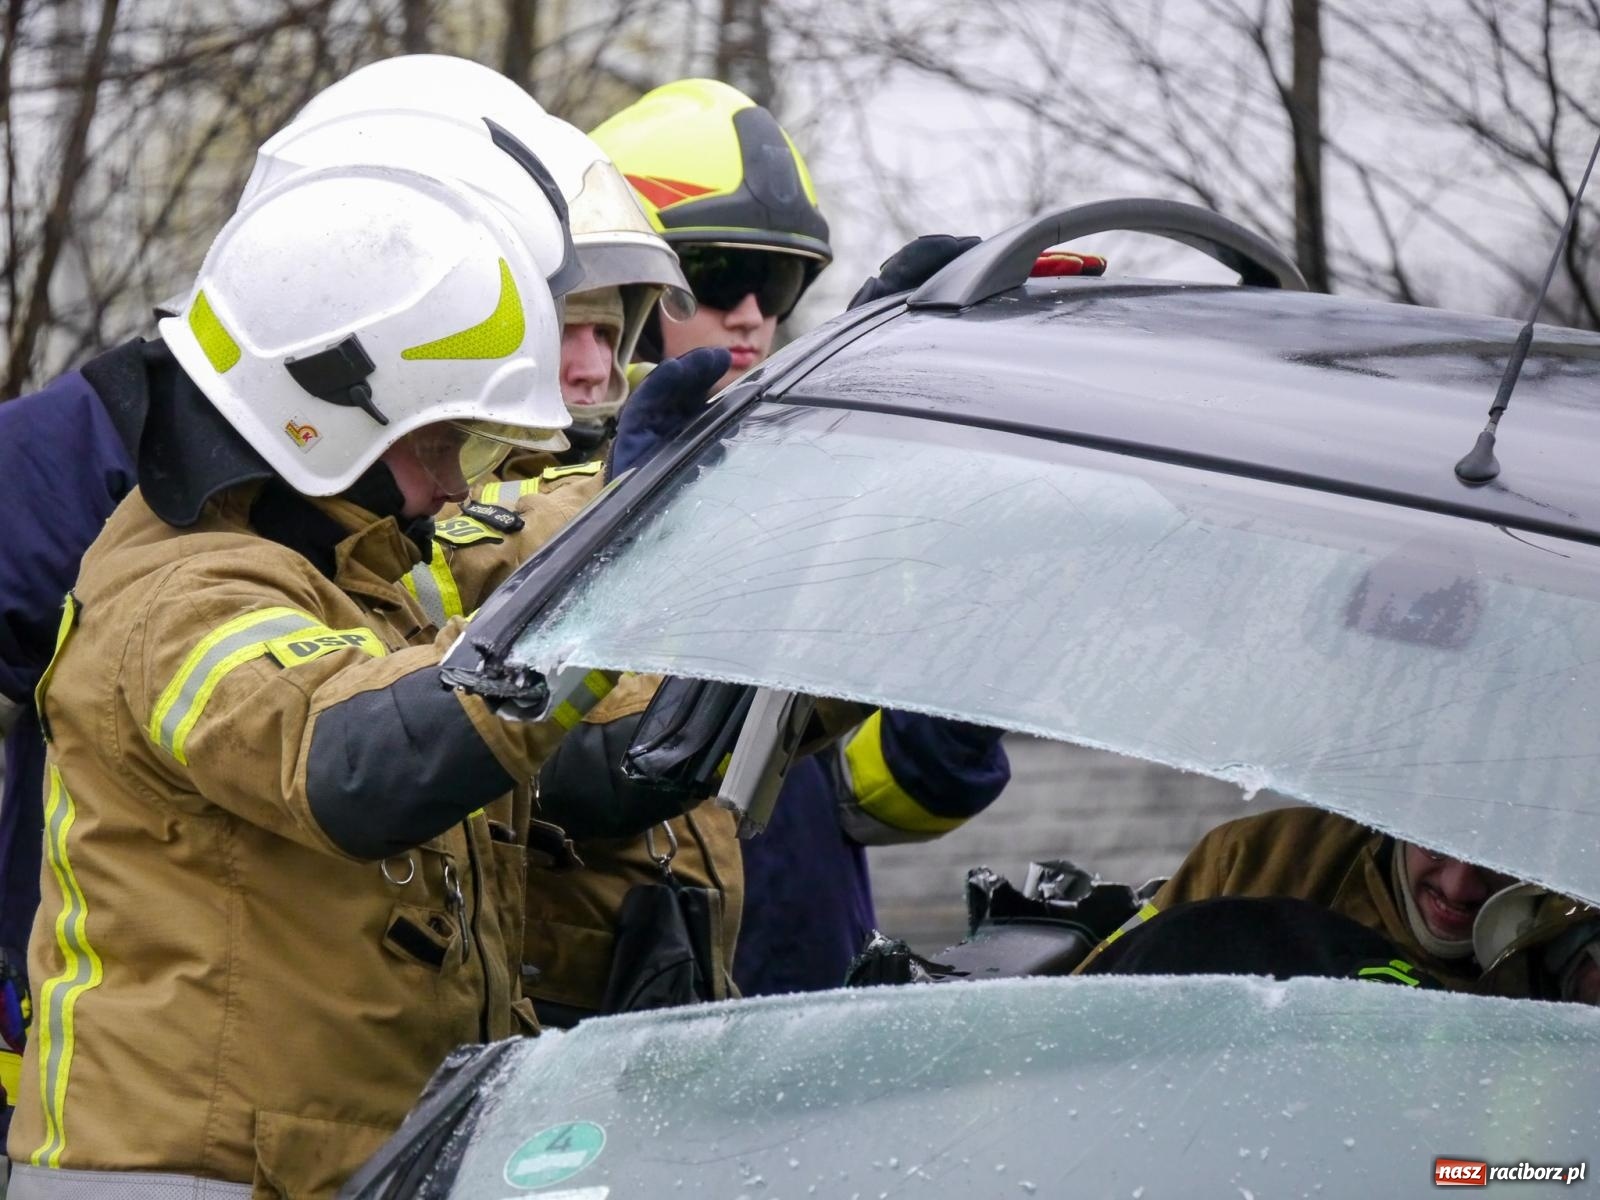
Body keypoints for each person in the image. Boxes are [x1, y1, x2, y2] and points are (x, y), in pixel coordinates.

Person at [589, 79, 1013, 998]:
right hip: (631, 1035)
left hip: (809, 1023)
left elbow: (874, 794)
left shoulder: (797, 493)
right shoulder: (510, 499)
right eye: (714, 278)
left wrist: (963, 635)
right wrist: (641, 507)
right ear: (616, 283)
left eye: (776, 283)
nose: (750, 313)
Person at [1079, 805, 1600, 1004]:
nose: (1461, 886)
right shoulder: (1250, 858)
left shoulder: (1576, 945)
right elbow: (1088, 1003)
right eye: (1439, 841)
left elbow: (1532, 1173)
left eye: (1499, 857)